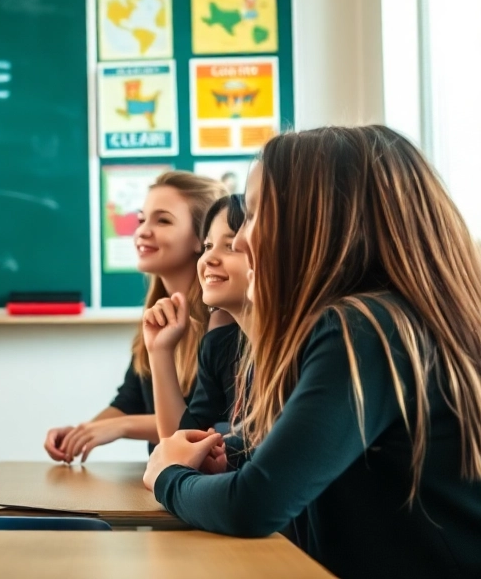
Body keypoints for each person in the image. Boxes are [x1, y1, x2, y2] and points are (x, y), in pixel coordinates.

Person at [145, 126, 481, 578]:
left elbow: (254, 506)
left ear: (325, 221)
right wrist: (237, 457)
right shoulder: (381, 320)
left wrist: (169, 477)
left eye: (258, 214)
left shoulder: (363, 328)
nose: (243, 240)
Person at [45, 171, 227, 462]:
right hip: (165, 482)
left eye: (163, 220)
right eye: (142, 219)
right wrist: (82, 432)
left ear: (201, 239)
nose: (142, 231)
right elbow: (129, 402)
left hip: (197, 485)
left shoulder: (225, 322)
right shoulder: (158, 314)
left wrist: (121, 427)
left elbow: (205, 428)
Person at [144, 194, 247, 439]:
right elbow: (179, 443)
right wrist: (159, 351)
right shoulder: (219, 344)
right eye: (209, 246)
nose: (209, 258)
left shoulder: (297, 348)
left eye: (231, 246)